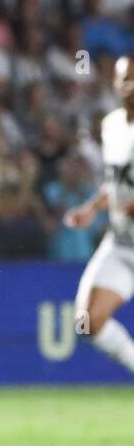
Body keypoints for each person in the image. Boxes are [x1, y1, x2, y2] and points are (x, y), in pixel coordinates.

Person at [64, 55, 134, 371]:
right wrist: (91, 208)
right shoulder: (112, 126)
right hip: (121, 243)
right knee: (86, 322)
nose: (130, 85)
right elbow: (114, 183)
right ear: (115, 84)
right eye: (125, 79)